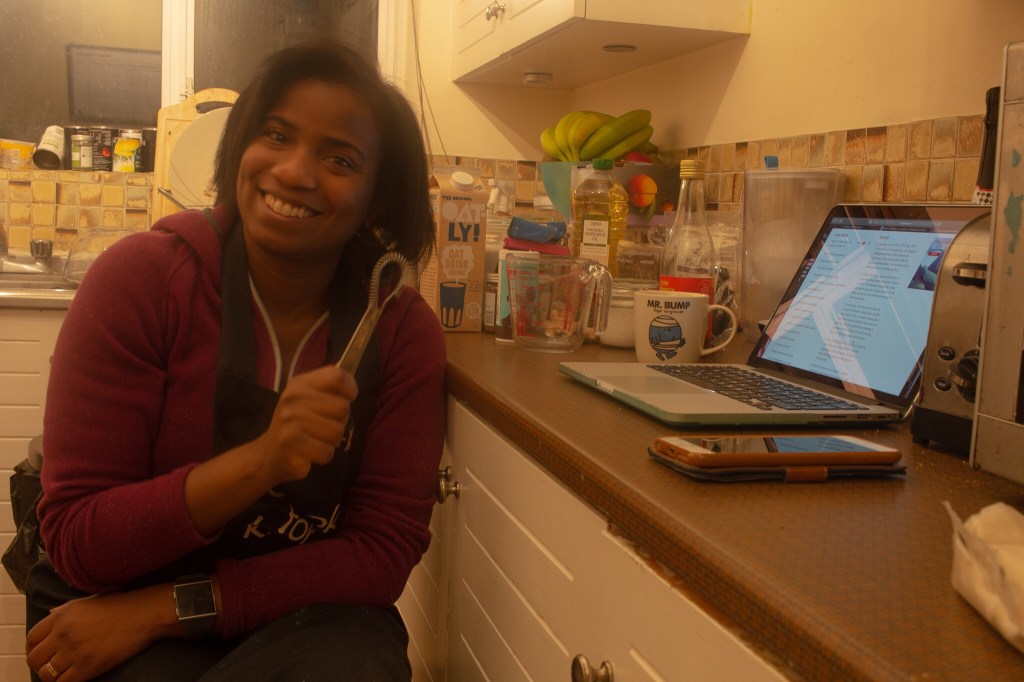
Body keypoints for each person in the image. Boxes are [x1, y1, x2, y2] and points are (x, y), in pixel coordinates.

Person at [23, 39, 446, 682]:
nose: (294, 172)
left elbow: (379, 553)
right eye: (276, 135)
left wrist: (168, 609)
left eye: (339, 158)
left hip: (301, 614)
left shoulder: (401, 332)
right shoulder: (141, 283)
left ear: (378, 198)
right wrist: (262, 460)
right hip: (112, 594)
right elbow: (81, 539)